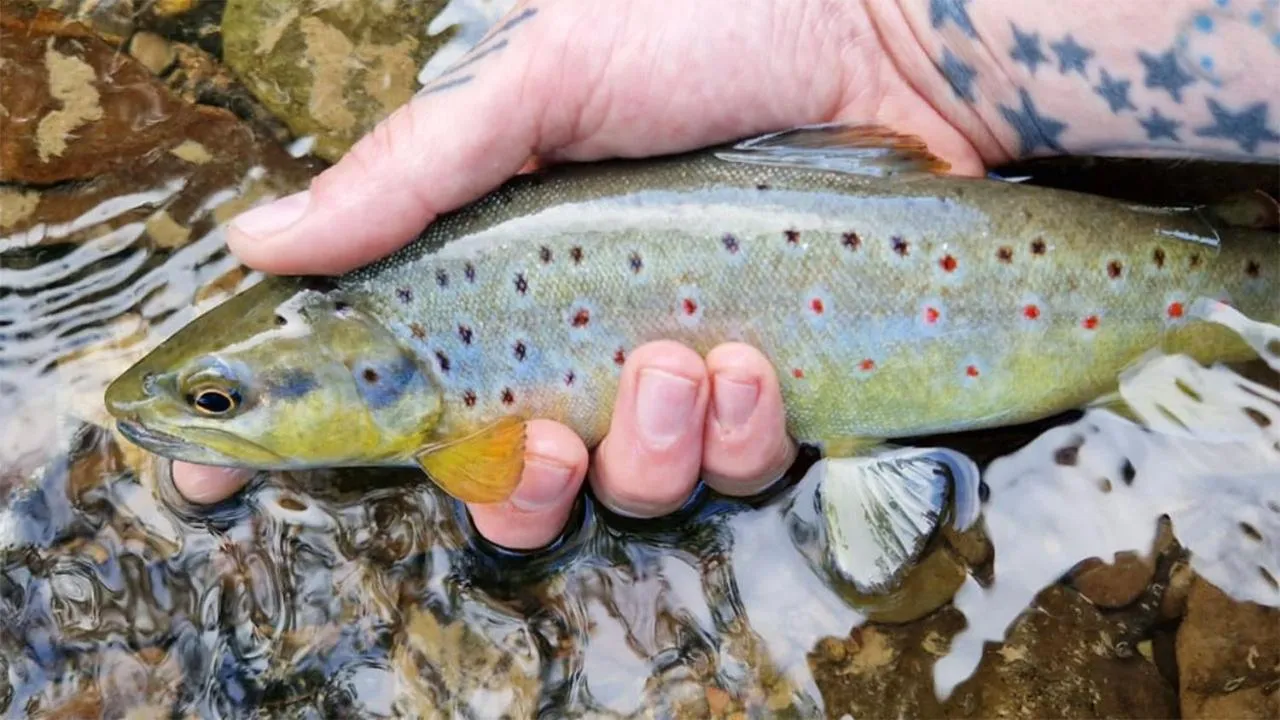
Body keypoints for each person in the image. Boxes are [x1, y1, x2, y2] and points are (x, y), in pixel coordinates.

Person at [175, 0, 1279, 550]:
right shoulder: (446, 419)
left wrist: (886, 33)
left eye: (217, 402)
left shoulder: (461, 439)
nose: (203, 418)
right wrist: (892, 30)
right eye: (214, 401)